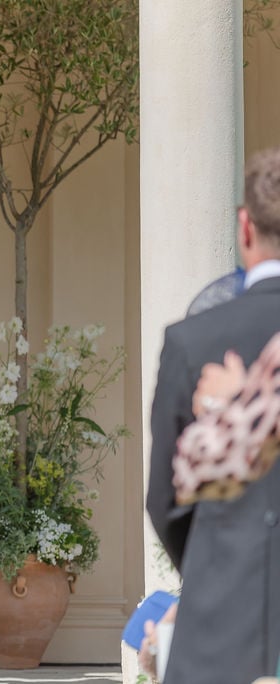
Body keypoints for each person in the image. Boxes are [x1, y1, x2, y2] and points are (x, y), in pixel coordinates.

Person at [146, 145, 280, 684]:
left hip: (220, 632)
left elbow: (164, 500)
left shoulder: (191, 340)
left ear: (245, 227)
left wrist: (211, 574)